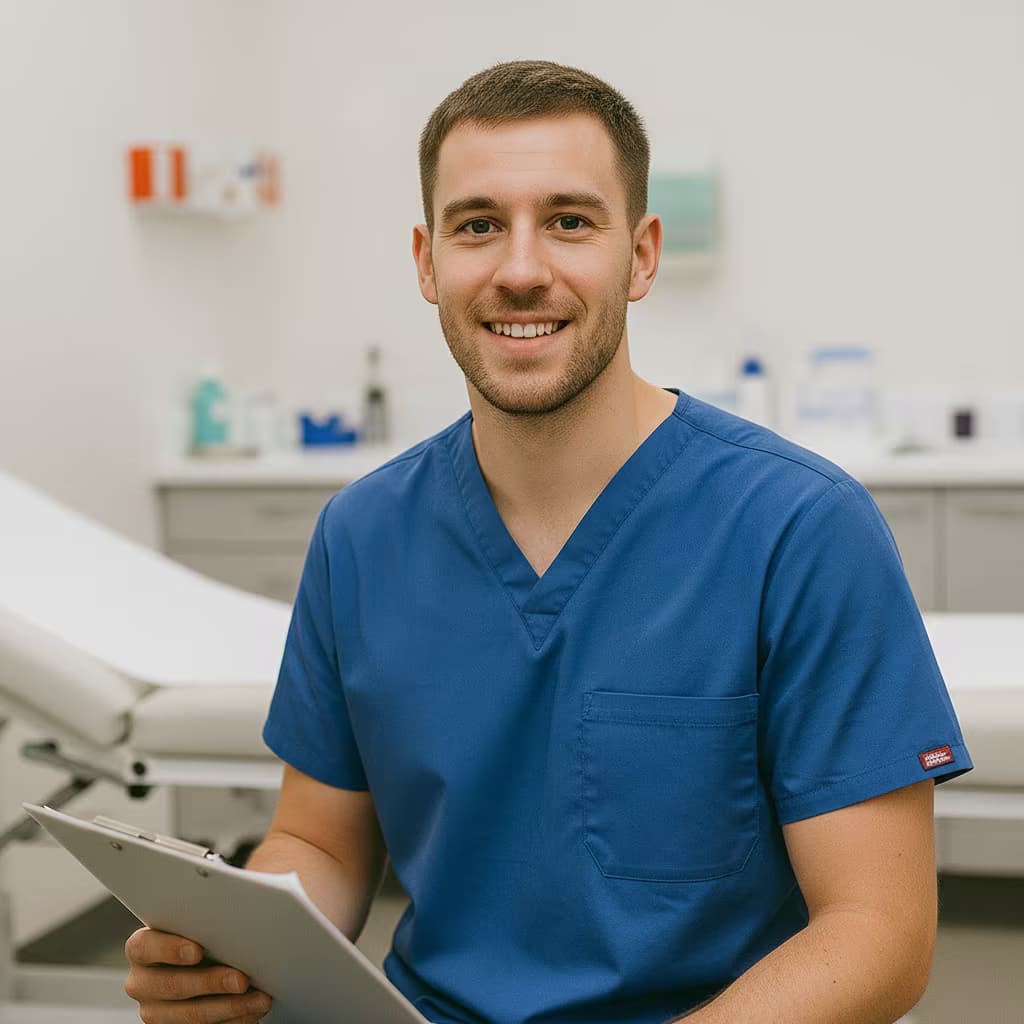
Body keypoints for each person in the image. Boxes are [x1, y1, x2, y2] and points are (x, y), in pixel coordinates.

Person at [124, 60, 972, 1024]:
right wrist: (232, 953)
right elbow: (319, 845)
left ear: (642, 255)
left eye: (570, 221)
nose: (521, 268)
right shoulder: (362, 535)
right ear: (426, 260)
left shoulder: (798, 528)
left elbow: (877, 933)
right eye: (478, 224)